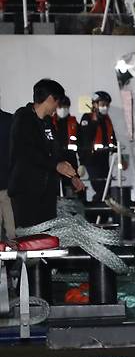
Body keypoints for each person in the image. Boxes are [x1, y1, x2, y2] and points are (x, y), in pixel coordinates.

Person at [8, 79, 84, 228]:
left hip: (46, 193)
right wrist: (56, 165)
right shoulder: (23, 118)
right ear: (50, 99)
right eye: (57, 102)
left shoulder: (48, 123)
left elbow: (57, 152)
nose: (58, 106)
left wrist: (72, 176)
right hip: (26, 192)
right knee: (30, 238)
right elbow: (27, 152)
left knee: (47, 236)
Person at [79, 90, 115, 201]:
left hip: (104, 159)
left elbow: (112, 138)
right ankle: (94, 215)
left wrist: (118, 154)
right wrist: (82, 163)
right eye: (102, 104)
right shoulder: (87, 118)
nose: (105, 107)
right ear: (95, 104)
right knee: (100, 189)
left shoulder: (107, 120)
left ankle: (102, 217)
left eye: (107, 105)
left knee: (106, 190)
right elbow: (85, 138)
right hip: (91, 160)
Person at [51, 95, 79, 195]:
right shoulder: (50, 122)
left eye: (66, 107)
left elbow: (80, 142)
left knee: (72, 188)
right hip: (56, 160)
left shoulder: (73, 123)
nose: (63, 110)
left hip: (71, 159)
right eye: (61, 107)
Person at [0, 108, 16, 239]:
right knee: (10, 221)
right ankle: (16, 250)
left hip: (6, 177)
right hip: (7, 177)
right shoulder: (10, 119)